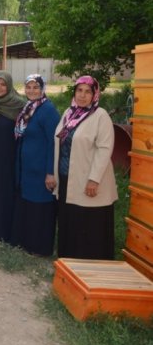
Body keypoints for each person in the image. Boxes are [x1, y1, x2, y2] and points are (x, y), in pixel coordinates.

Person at [54, 76, 117, 260]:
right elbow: (59, 143)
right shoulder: (69, 113)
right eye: (79, 90)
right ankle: (68, 261)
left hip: (89, 179)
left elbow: (104, 149)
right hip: (67, 177)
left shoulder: (100, 116)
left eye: (87, 91)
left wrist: (94, 179)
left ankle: (90, 264)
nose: (82, 95)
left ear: (94, 94)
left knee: (88, 222)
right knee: (70, 220)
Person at [11, 74, 60, 256]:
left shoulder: (48, 110)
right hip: (27, 170)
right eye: (29, 87)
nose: (32, 91)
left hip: (41, 169)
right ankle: (27, 242)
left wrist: (50, 172)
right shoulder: (29, 108)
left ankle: (40, 247)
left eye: (36, 87)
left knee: (40, 208)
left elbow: (53, 143)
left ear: (42, 89)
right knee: (29, 206)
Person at [0, 71, 26, 244]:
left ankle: (5, 230)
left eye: (3, 85)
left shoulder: (19, 106)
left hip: (9, 157)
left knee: (6, 191)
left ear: (9, 86)